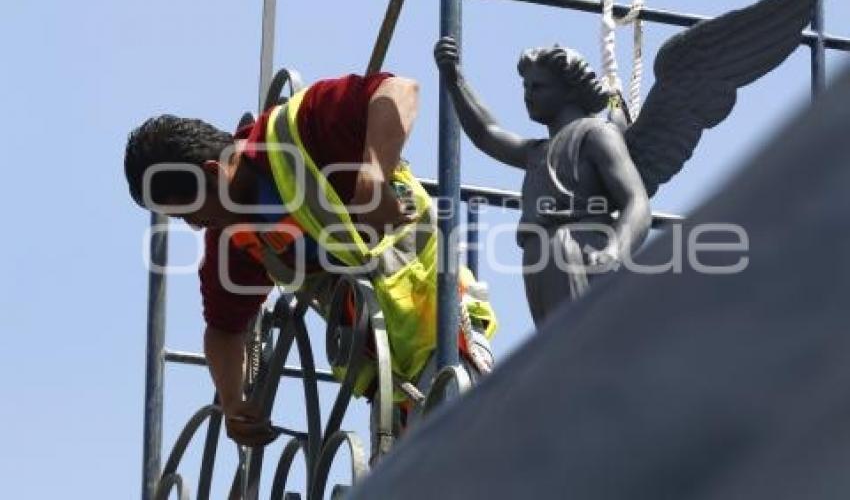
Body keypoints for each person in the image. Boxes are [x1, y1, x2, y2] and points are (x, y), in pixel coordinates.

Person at [124, 72, 497, 449]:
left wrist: (372, 177)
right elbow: (223, 329)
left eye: (189, 211)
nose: (193, 224)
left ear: (212, 173)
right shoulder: (235, 239)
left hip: (446, 334)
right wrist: (234, 402)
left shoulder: (299, 129)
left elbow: (400, 90)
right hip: (391, 384)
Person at [435, 37, 651, 325]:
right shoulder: (536, 151)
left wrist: (615, 250)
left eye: (538, 87)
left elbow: (637, 201)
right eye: (525, 87)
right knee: (551, 351)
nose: (528, 95)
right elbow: (487, 133)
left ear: (569, 90)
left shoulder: (596, 133)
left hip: (573, 244)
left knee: (574, 344)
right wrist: (454, 79)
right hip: (538, 254)